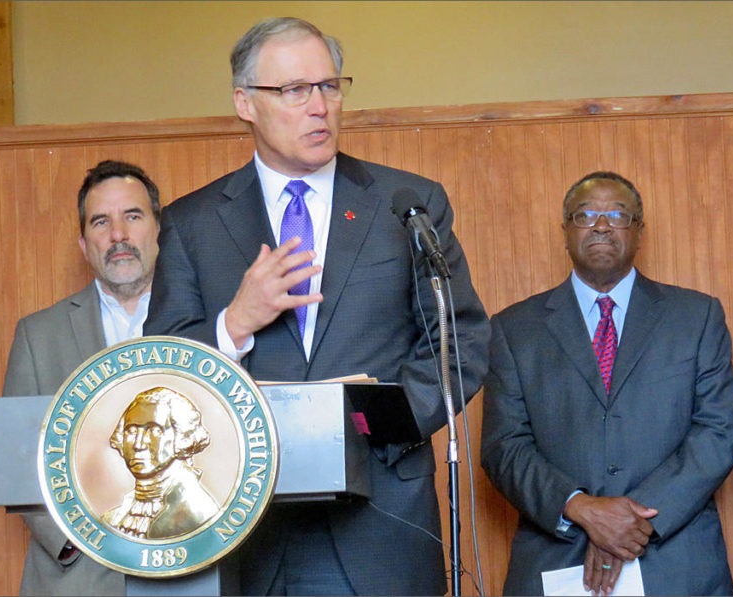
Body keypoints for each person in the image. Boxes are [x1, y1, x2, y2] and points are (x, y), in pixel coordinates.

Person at [142, 17, 490, 596]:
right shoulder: (192, 223)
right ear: (244, 103)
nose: (319, 107)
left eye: (330, 87)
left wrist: (366, 422)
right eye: (294, 90)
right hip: (249, 528)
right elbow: (160, 372)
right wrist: (236, 323)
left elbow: (461, 342)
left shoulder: (406, 205)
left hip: (383, 521)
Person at [481, 171, 733, 596]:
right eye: (585, 215)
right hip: (558, 557)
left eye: (617, 215)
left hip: (675, 559)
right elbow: (503, 446)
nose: (601, 225)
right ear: (564, 231)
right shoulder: (514, 329)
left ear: (639, 231)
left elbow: (717, 434)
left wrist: (630, 526)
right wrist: (582, 509)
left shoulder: (696, 317)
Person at [3, 159, 161, 595]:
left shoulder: (208, 326)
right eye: (100, 222)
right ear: (83, 242)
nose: (118, 236)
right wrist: (71, 543)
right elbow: (18, 458)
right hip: (78, 579)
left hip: (190, 569)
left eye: (132, 216)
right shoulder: (38, 335)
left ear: (158, 229)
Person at [102, 386, 219, 539]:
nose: (138, 444)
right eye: (131, 431)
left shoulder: (201, 513)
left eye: (154, 430)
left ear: (181, 436)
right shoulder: (113, 518)